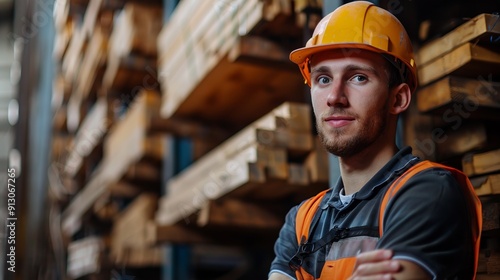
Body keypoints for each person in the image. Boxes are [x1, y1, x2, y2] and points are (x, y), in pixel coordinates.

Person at [268, 1, 482, 280]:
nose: (334, 97)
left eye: (358, 77)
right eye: (322, 79)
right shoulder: (301, 221)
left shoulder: (428, 193)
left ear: (398, 98)